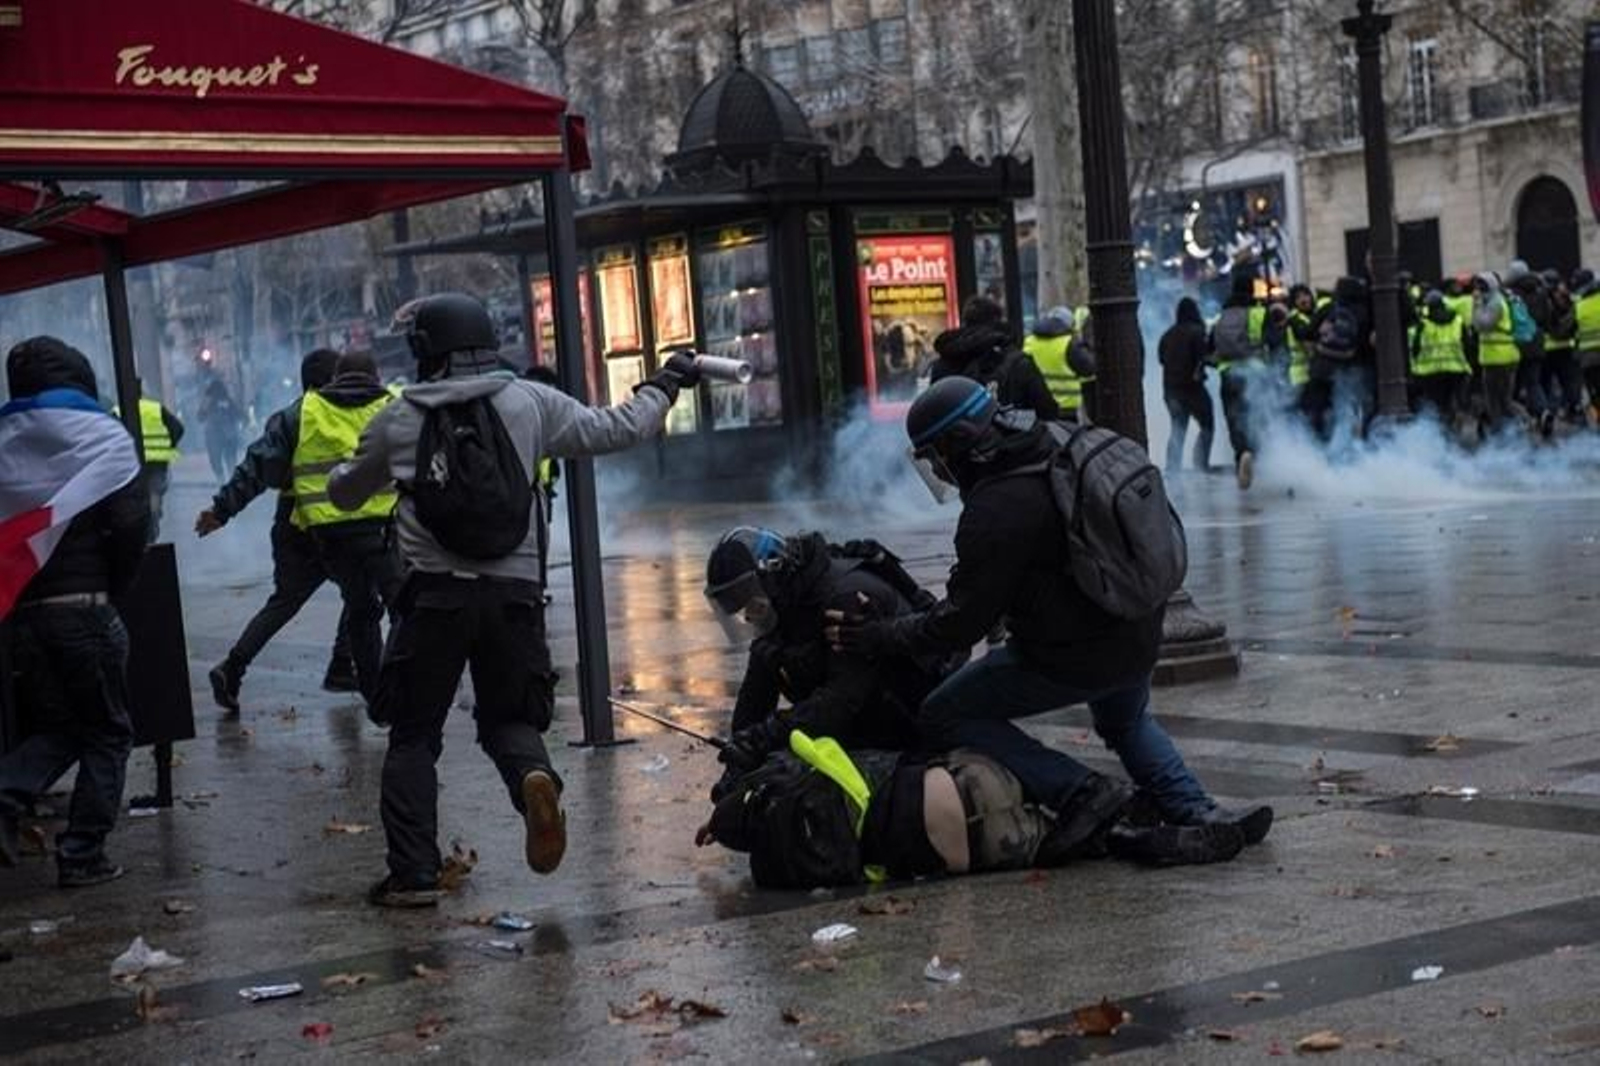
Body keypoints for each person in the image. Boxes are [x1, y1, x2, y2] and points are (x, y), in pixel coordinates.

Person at [326, 292, 696, 907]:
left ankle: (414, 876)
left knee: (414, 736)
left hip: (434, 602)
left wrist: (359, 470)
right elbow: (618, 427)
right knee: (509, 718)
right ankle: (532, 776)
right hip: (515, 599)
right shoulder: (529, 401)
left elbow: (343, 495)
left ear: (425, 351)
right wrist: (662, 385)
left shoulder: (399, 418)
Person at [826, 376, 1271, 851]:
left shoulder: (996, 507)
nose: (941, 470)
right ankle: (1196, 808)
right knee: (1126, 721)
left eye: (937, 456)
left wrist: (880, 635)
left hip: (1074, 653)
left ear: (958, 445)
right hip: (1137, 624)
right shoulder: (1059, 436)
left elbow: (960, 624)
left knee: (943, 713)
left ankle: (1085, 792)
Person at [697, 733, 1244, 890]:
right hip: (965, 782)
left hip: (970, 850)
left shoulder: (781, 868)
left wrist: (717, 823)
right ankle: (1139, 811)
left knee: (1067, 842)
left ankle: (1132, 837)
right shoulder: (808, 760)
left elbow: (729, 822)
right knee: (973, 746)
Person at [0, 337, 148, 886]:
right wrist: (114, 588)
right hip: (86, 613)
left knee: (64, 727)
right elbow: (132, 526)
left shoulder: (6, 443)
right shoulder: (104, 440)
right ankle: (83, 853)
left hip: (26, 617)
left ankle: (6, 794)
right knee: (109, 734)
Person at [703, 528, 960, 798]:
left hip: (906, 724)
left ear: (774, 574)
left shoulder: (845, 599)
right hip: (858, 724)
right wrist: (736, 769)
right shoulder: (782, 609)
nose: (749, 617)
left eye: (753, 605)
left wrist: (764, 737)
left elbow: (840, 701)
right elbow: (754, 699)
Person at [196, 349, 358, 711]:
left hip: (294, 528)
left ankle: (232, 668)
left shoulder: (291, 416)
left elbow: (257, 466)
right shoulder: (334, 414)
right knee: (364, 591)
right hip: (334, 528)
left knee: (285, 602)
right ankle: (343, 664)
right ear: (334, 379)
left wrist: (223, 509)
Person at [288, 351, 401, 704]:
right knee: (405, 607)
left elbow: (263, 459)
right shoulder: (394, 405)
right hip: (383, 531)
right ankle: (402, 681)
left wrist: (222, 508)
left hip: (333, 536)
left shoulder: (306, 410)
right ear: (376, 374)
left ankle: (375, 694)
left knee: (360, 609)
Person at [929, 295, 1059, 420]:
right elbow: (1047, 411)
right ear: (998, 322)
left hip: (958, 441)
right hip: (1013, 441)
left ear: (964, 322)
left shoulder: (942, 364)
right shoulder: (1017, 362)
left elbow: (934, 413)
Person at [1210, 274, 1267, 487]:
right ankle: (1253, 454)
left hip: (1227, 374)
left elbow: (1210, 350)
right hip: (1254, 373)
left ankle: (1241, 455)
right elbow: (1274, 342)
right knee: (1256, 417)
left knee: (1234, 419)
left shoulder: (1222, 316)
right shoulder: (1258, 313)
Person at [1157, 297, 1214, 473]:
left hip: (1171, 390)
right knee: (1207, 425)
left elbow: (1161, 359)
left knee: (1178, 429)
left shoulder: (1167, 335)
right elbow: (1204, 357)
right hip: (1192, 388)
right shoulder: (1197, 332)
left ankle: (1173, 467)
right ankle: (1200, 462)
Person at [1021, 304, 1097, 423]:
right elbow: (1089, 369)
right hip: (1066, 407)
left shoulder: (1029, 341)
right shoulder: (1067, 343)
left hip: (1038, 404)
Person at [1409, 290, 1471, 429]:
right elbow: (1467, 344)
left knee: (1437, 406)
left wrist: (1415, 366)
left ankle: (1443, 433)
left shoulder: (1424, 324)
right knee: (1455, 400)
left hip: (1431, 372)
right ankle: (1457, 424)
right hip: (1457, 369)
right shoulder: (1458, 320)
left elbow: (1415, 347)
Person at [1473, 272, 1522, 435]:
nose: (1478, 289)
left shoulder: (1495, 303)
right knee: (1497, 400)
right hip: (1494, 358)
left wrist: (1477, 304)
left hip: (1500, 358)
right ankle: (1504, 432)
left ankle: (1523, 423)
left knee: (1500, 400)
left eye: (1482, 285)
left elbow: (1483, 325)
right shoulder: (1492, 301)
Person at [133, 392, 183, 544]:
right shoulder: (155, 408)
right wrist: (167, 448)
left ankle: (147, 537)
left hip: (134, 467)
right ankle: (151, 533)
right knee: (153, 499)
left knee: (140, 503)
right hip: (157, 465)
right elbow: (178, 428)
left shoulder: (118, 411)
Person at [1541, 270, 1582, 425]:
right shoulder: (1570, 299)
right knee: (1569, 382)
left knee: (1546, 384)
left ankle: (1550, 413)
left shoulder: (1542, 300)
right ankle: (1574, 410)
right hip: (1566, 348)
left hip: (1547, 350)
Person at [198, 372, 243, 482]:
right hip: (229, 436)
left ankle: (222, 482)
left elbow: (200, 417)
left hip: (216, 437)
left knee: (216, 461)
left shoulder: (209, 402)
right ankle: (230, 484)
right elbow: (239, 414)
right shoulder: (228, 400)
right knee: (230, 461)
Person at [1573, 269, 1600, 421]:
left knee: (1595, 393)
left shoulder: (1579, 306)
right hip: (1590, 358)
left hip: (1590, 359)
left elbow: (1564, 329)